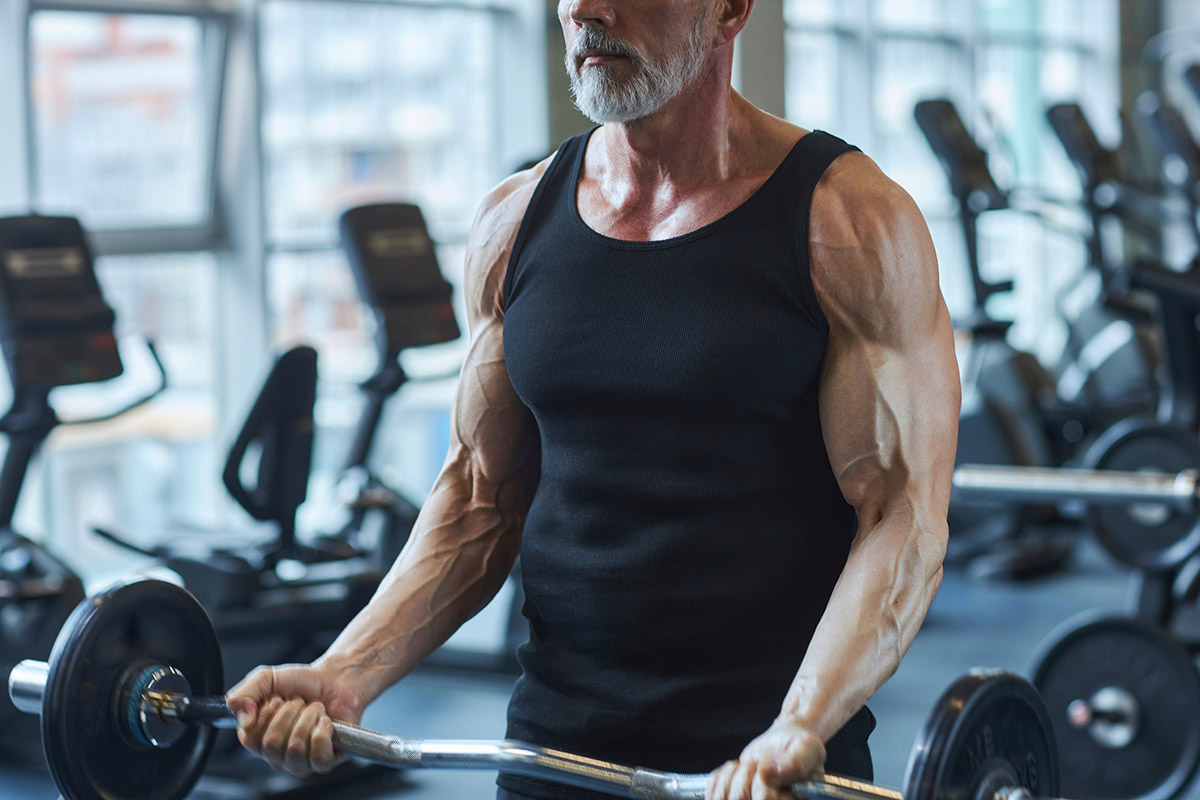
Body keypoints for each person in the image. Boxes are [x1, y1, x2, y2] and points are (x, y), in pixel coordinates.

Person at [226, 1, 960, 798]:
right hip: (554, 753)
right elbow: (477, 497)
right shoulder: (514, 220)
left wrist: (800, 726)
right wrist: (344, 672)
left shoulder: (848, 221)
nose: (583, 8)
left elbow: (900, 516)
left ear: (728, 10)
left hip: (765, 769)